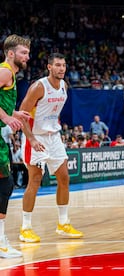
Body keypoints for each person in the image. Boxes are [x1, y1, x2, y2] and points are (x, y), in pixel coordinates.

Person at [19, 53, 83, 243]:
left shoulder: (64, 86)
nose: (61, 68)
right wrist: (31, 139)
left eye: (63, 65)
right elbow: (23, 114)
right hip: (35, 137)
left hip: (53, 137)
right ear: (49, 67)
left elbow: (52, 113)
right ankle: (25, 227)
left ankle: (63, 224)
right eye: (57, 65)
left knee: (64, 177)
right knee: (35, 180)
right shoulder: (39, 87)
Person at [0, 34, 31, 258]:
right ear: (11, 53)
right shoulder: (5, 71)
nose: (27, 57)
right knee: (5, 185)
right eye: (23, 53)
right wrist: (6, 118)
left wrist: (14, 113)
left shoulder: (10, 74)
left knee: (4, 185)